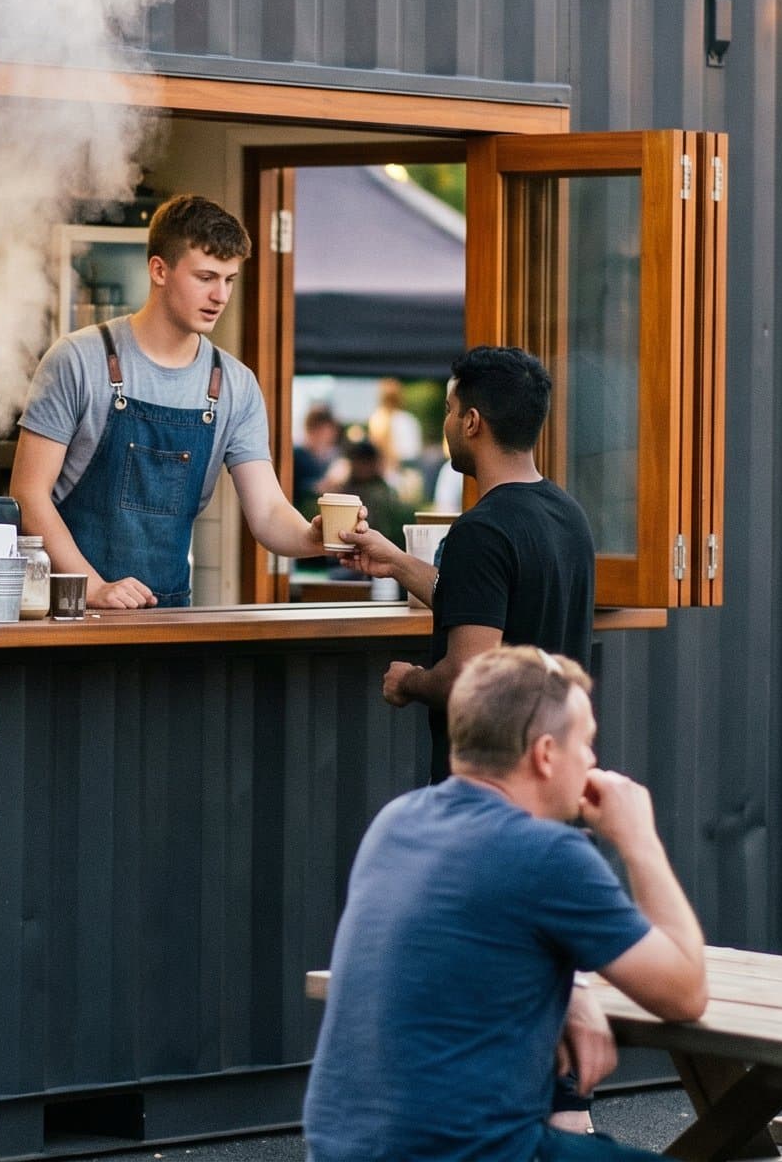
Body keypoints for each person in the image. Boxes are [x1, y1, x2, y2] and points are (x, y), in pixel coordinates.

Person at [303, 647, 708, 1162]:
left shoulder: (398, 822)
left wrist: (572, 992)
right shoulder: (549, 854)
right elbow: (686, 992)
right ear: (544, 755)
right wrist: (639, 839)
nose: (591, 761)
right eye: (585, 744)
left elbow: (484, 945)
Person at [14, 194, 323, 609]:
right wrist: (93, 588)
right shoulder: (78, 360)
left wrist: (313, 539)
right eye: (206, 277)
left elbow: (267, 512)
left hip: (168, 621)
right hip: (71, 616)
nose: (220, 295)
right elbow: (28, 494)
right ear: (159, 270)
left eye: (229, 279)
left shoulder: (234, 384)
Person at [342, 346, 596, 782]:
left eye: (449, 410)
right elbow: (490, 603)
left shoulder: (482, 530)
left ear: (472, 422)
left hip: (490, 787)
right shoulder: (569, 515)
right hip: (553, 776)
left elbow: (468, 676)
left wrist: (409, 682)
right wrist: (398, 563)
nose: (446, 423)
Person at [339, 439, 413, 545]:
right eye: (359, 461)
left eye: (366, 461)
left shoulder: (385, 494)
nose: (362, 467)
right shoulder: (345, 492)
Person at [294, 404, 342, 511]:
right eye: (320, 431)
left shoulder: (334, 457)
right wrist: (318, 487)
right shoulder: (297, 455)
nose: (325, 437)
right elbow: (294, 488)